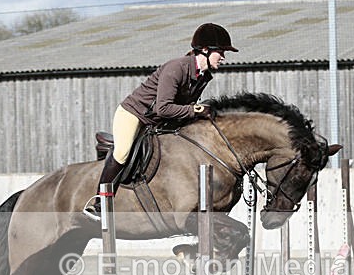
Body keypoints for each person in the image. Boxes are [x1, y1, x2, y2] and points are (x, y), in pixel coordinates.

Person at [83, 23, 238, 220]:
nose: (224, 57)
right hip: (134, 114)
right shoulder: (176, 68)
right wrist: (196, 110)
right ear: (205, 50)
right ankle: (100, 203)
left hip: (157, 121)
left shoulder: (204, 76)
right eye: (221, 52)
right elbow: (163, 108)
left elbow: (184, 106)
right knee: (122, 153)